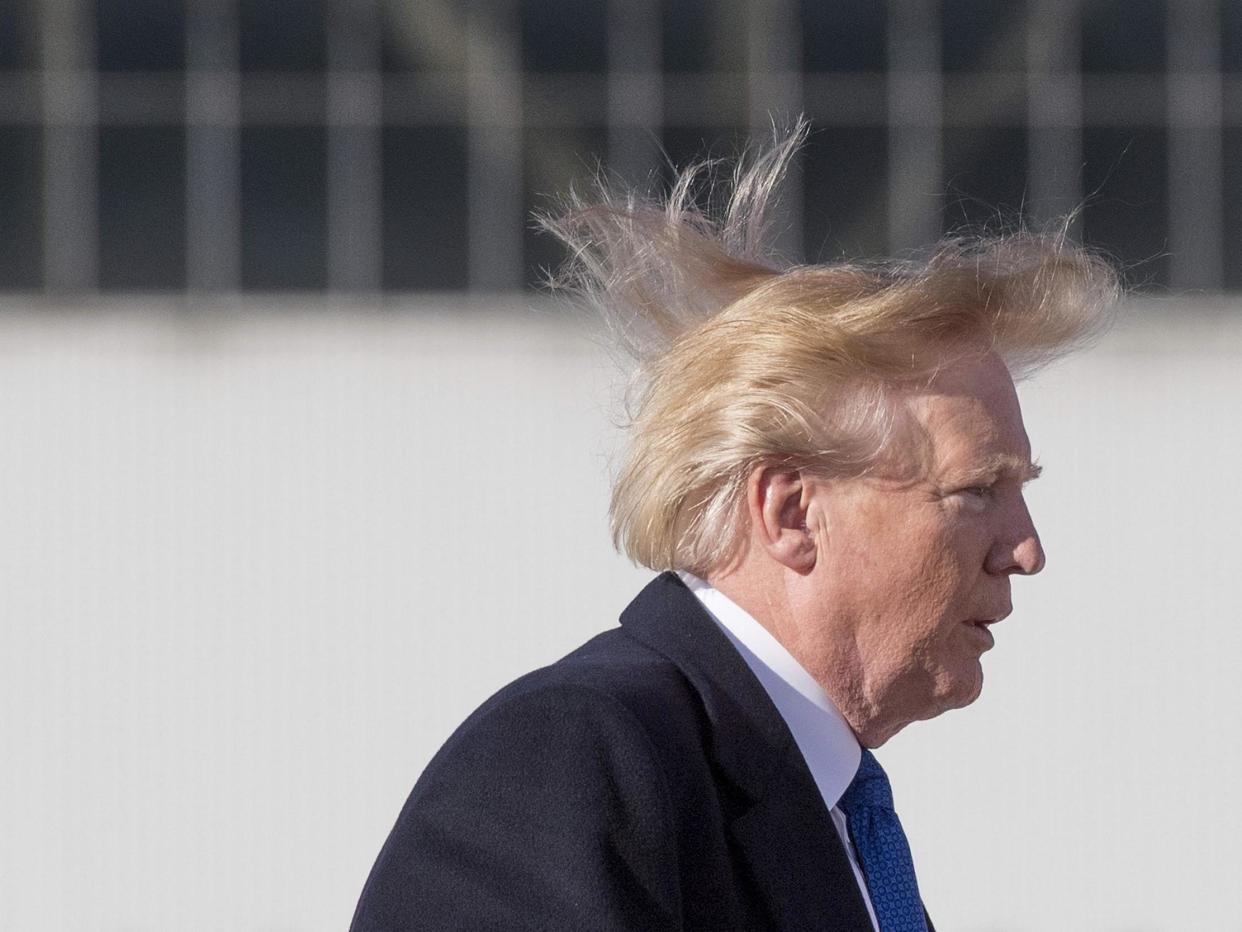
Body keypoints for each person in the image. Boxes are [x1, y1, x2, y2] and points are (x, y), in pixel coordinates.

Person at [349, 127, 1118, 931]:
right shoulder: (574, 758)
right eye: (974, 492)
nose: (1026, 550)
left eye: (1019, 489)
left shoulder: (830, 810)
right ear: (790, 514)